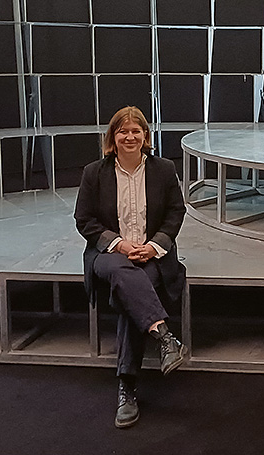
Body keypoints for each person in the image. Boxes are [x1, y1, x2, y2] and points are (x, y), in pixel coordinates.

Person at [74, 106, 189, 429]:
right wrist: (121, 245)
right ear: (112, 137)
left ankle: (126, 387)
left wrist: (153, 246)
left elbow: (176, 213)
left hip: (152, 253)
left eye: (135, 131)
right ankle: (164, 336)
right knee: (123, 274)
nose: (129, 137)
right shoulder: (94, 172)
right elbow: (84, 220)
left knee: (131, 295)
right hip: (110, 254)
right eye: (122, 131)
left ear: (145, 136)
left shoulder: (164, 169)